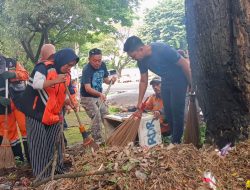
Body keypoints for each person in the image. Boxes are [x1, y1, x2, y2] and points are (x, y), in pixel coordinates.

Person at [20, 48, 79, 179]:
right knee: (39, 145)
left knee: (54, 144)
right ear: (61, 60)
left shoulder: (66, 76)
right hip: (36, 112)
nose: (70, 68)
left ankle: (57, 170)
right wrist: (55, 80)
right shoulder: (43, 67)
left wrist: (69, 102)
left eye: (72, 66)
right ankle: (43, 176)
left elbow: (59, 95)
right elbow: (36, 84)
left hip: (53, 113)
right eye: (68, 65)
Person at [123, 36, 192, 144]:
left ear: (141, 49)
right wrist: (139, 102)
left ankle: (176, 142)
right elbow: (143, 81)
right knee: (168, 112)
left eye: (134, 56)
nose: (134, 59)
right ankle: (174, 136)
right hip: (166, 80)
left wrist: (191, 83)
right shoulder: (141, 61)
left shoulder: (162, 49)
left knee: (176, 111)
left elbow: (184, 64)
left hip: (179, 79)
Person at [80, 48, 116, 143]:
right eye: (94, 61)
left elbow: (105, 80)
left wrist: (111, 81)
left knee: (106, 115)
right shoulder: (86, 69)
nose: (97, 63)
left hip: (98, 95)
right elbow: (87, 88)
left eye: (99, 60)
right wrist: (100, 94)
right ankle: (98, 142)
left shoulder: (103, 65)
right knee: (96, 117)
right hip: (87, 97)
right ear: (89, 59)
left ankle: (113, 137)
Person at [0, 54, 29, 162]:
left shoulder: (11, 62)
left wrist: (13, 74)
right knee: (11, 134)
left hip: (19, 102)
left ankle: (30, 158)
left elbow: (26, 74)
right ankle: (19, 161)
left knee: (26, 129)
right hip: (3, 107)